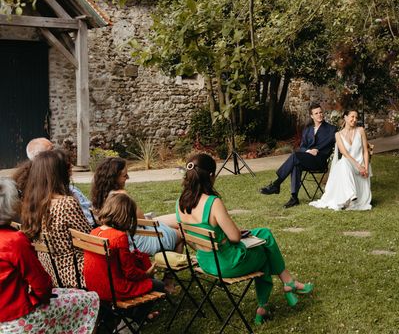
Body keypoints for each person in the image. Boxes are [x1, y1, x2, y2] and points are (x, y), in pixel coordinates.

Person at [177, 153, 313, 325]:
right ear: (211, 176)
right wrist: (233, 233)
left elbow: (190, 237)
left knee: (263, 233)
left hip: (206, 262)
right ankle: (281, 289)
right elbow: (234, 237)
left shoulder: (179, 203)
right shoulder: (212, 202)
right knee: (264, 251)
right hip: (226, 264)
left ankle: (278, 293)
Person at [0, 177, 100, 333]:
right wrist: (36, 299)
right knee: (90, 299)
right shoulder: (14, 241)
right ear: (10, 204)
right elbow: (41, 285)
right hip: (17, 317)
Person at [85, 192, 164, 322]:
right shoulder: (119, 236)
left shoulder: (94, 231)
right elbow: (130, 273)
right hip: (115, 289)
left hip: (94, 288)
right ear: (126, 216)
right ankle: (136, 318)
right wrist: (146, 274)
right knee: (158, 285)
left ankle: (129, 315)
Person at [20, 149, 92, 288]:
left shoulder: (31, 204)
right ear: (59, 174)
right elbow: (90, 240)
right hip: (76, 275)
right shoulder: (65, 203)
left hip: (50, 274)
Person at [91, 156, 181, 255]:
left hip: (129, 236)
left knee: (177, 220)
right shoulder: (121, 196)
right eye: (125, 175)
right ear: (114, 177)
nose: (128, 178)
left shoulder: (99, 197)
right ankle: (175, 263)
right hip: (137, 242)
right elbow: (143, 220)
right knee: (181, 233)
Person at [260, 103, 337, 208]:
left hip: (319, 161)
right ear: (311, 116)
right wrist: (309, 151)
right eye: (316, 113)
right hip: (307, 158)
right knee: (296, 164)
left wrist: (317, 150)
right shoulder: (308, 130)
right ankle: (294, 197)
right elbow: (302, 147)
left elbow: (328, 144)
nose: (319, 115)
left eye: (320, 112)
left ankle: (276, 184)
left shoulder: (331, 129)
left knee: (295, 156)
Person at [14, 138, 94, 225]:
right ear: (46, 160)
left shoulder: (25, 189)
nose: (56, 153)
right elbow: (88, 224)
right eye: (52, 150)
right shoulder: (66, 198)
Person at [310, 109, 372, 211]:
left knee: (345, 162)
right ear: (345, 117)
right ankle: (351, 194)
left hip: (360, 165)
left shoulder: (360, 130)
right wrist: (358, 166)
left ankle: (352, 195)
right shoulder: (338, 135)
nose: (354, 119)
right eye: (352, 117)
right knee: (344, 161)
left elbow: (365, 151)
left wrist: (365, 168)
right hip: (349, 166)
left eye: (356, 117)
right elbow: (345, 153)